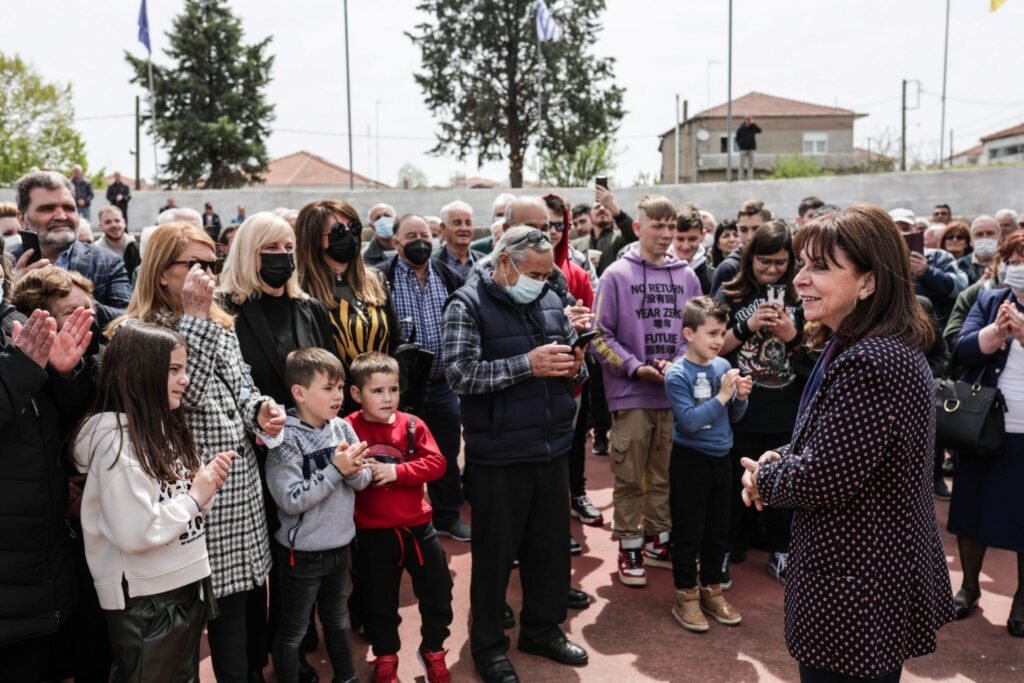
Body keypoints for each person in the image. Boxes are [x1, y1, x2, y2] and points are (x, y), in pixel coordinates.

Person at [741, 205, 954, 682]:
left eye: (820, 267)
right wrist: (784, 458)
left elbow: (824, 478)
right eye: (803, 265)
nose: (800, 279)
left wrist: (765, 475)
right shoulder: (868, 345)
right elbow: (842, 450)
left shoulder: (872, 359)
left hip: (855, 590)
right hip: (865, 584)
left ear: (868, 282)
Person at [112, 223, 285, 682]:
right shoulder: (137, 331)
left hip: (242, 489)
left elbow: (241, 385)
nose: (205, 274)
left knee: (248, 613)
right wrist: (193, 317)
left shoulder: (219, 321)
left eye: (211, 264)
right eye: (192, 264)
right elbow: (181, 401)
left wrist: (260, 410)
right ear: (162, 272)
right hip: (197, 494)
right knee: (211, 625)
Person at [442, 226, 588, 682]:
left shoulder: (548, 298)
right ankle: (488, 645)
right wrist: (528, 364)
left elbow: (567, 367)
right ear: (504, 262)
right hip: (499, 453)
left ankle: (542, 630)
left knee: (549, 552)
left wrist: (576, 367)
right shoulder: (466, 305)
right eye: (535, 273)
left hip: (551, 445)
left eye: (548, 273)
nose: (543, 281)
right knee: (494, 557)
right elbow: (460, 375)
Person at [74, 323, 233, 683]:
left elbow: (179, 508)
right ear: (141, 372)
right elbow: (137, 531)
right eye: (174, 370)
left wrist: (202, 490)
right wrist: (196, 496)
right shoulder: (116, 444)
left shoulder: (163, 427)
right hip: (148, 600)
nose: (186, 380)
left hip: (185, 585)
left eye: (184, 368)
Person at [592, 195, 702, 587]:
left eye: (671, 227)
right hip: (631, 394)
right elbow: (599, 337)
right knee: (629, 476)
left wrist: (677, 364)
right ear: (638, 228)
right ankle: (629, 544)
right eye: (657, 226)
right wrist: (635, 368)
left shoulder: (687, 276)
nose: (666, 234)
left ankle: (659, 539)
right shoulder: (616, 275)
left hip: (674, 395)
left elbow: (697, 332)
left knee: (665, 475)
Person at [345, 352, 454, 683]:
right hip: (373, 534)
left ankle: (433, 649)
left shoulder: (412, 424)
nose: (388, 398)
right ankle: (386, 657)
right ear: (356, 394)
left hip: (418, 528)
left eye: (393, 389)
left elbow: (438, 464)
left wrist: (398, 471)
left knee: (438, 592)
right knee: (380, 602)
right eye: (377, 391)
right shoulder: (347, 428)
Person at [0, 300, 94, 681]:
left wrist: (66, 375)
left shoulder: (17, 321)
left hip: (42, 570)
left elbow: (64, 416)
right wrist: (18, 371)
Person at [264, 348, 369, 683]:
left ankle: (347, 678)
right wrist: (337, 469)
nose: (338, 395)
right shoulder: (285, 440)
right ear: (299, 393)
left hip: (340, 547)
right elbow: (291, 500)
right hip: (302, 555)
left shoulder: (342, 428)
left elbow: (364, 480)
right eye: (328, 388)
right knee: (294, 630)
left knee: (337, 620)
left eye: (340, 387)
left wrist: (351, 471)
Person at [717, 220, 806, 584]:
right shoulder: (731, 294)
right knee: (729, 487)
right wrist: (746, 325)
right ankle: (724, 548)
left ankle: (780, 551)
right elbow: (712, 347)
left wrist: (792, 334)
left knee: (782, 488)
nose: (771, 270)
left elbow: (820, 354)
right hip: (739, 410)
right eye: (764, 261)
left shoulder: (803, 295)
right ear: (750, 258)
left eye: (780, 263)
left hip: (785, 411)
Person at [948, 229, 1024, 638]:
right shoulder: (991, 299)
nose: (1021, 266)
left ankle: (1022, 600)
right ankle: (969, 587)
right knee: (971, 512)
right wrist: (995, 334)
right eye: (1016, 258)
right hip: (985, 428)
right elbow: (959, 349)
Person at [664, 296, 752, 632]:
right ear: (688, 333)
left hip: (721, 459)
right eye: (712, 333)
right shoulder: (677, 374)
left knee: (719, 530)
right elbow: (688, 421)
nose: (718, 340)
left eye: (722, 333)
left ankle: (712, 590)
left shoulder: (721, 367)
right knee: (689, 531)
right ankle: (685, 594)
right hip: (690, 460)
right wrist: (724, 396)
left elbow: (732, 417)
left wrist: (740, 398)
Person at [383, 214, 470, 541]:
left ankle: (447, 515)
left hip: (443, 385)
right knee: (396, 454)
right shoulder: (381, 278)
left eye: (425, 234)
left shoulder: (448, 276)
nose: (420, 240)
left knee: (444, 452)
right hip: (399, 390)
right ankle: (401, 521)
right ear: (396, 243)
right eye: (411, 235)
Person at [294, 199, 403, 414]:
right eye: (336, 231)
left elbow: (396, 339)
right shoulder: (301, 289)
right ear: (315, 239)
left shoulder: (375, 280)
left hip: (383, 405)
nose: (348, 235)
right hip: (336, 409)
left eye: (353, 228)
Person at [12, 171, 132, 329]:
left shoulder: (107, 261)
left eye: (69, 208)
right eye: (47, 209)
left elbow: (128, 317)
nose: (61, 216)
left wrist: (80, 302)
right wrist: (10, 291)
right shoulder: (7, 263)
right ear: (22, 219)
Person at [889, 208, 967, 329]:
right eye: (895, 229)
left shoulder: (939, 256)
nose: (901, 234)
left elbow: (959, 288)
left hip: (934, 330)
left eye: (905, 229)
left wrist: (927, 272)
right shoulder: (880, 261)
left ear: (916, 230)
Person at [710, 200, 772, 294]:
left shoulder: (785, 262)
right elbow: (714, 307)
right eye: (743, 230)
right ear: (738, 228)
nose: (750, 236)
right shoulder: (728, 269)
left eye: (756, 229)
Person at [582, 184, 636, 275]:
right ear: (590, 216)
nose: (602, 208)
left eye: (606, 207)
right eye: (597, 207)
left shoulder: (620, 239)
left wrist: (613, 207)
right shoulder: (577, 244)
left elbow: (635, 235)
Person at [433, 200, 483, 279]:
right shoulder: (432, 263)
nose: (464, 228)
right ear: (443, 228)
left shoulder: (484, 261)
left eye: (468, 223)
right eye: (457, 223)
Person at [673, 204, 716, 294]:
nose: (686, 246)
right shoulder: (656, 270)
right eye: (680, 239)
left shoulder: (713, 277)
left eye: (692, 239)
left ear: (702, 235)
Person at [95, 205, 141, 276]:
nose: (114, 225)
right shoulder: (95, 253)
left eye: (117, 220)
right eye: (108, 222)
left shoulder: (138, 249)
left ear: (124, 223)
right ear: (101, 226)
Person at [956, 215, 1001, 285]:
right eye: (979, 234)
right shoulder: (959, 266)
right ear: (971, 240)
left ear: (1000, 237)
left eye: (990, 233)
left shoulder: (1010, 263)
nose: (985, 238)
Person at [363, 203, 398, 268]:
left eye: (387, 216)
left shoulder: (408, 248)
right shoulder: (365, 255)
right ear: (372, 226)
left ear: (396, 220)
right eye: (377, 218)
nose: (383, 220)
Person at [735, 116, 762, 181]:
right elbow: (737, 138)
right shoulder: (741, 128)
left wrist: (753, 123)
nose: (748, 120)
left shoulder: (752, 128)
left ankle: (750, 178)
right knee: (741, 164)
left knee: (751, 164)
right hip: (743, 149)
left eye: (749, 119)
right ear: (744, 120)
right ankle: (740, 178)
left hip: (751, 148)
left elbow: (759, 131)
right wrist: (740, 144)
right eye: (747, 119)